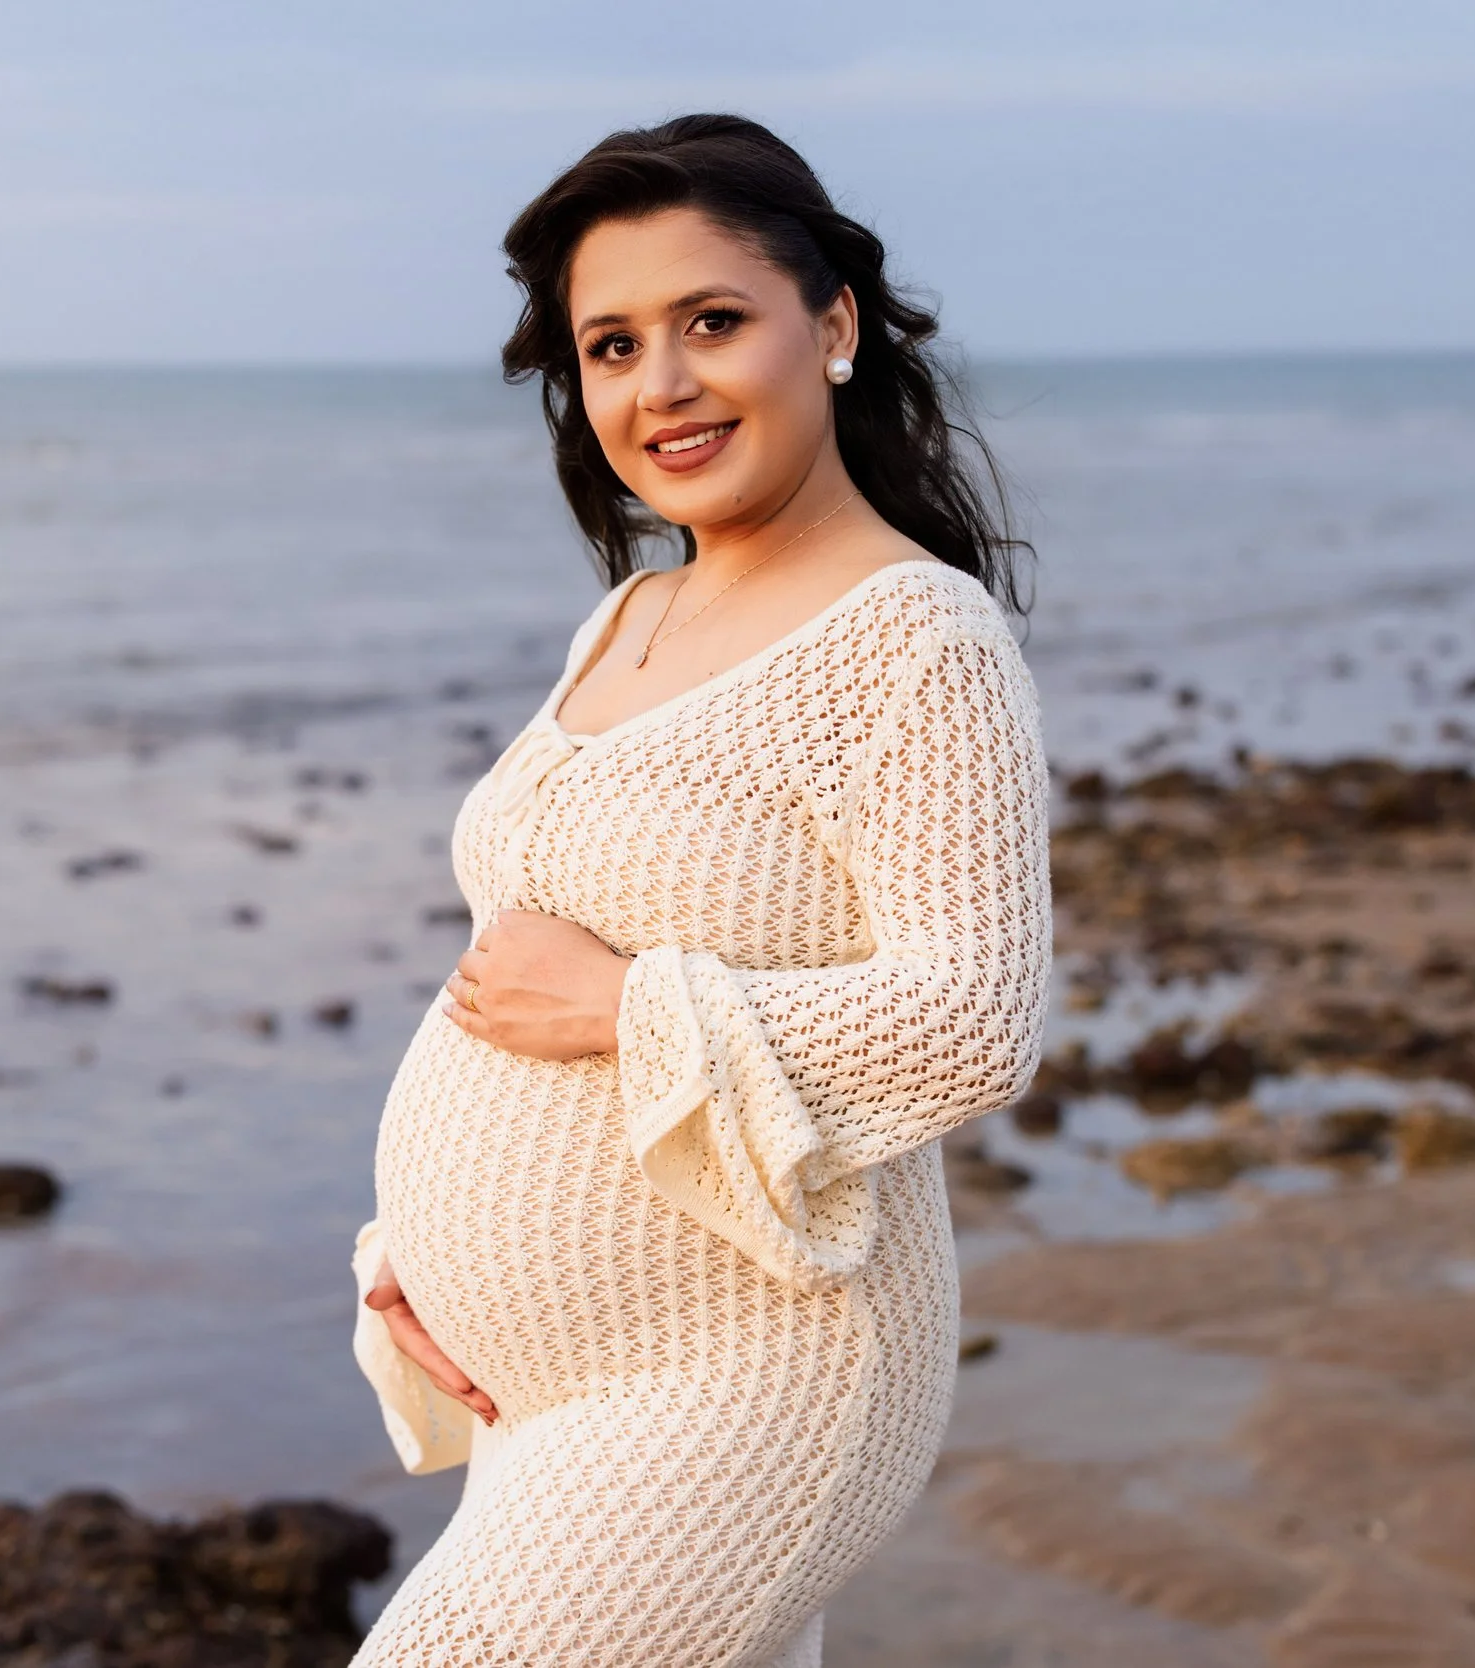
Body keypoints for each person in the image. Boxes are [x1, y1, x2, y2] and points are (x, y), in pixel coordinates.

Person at [347, 113, 1051, 1667]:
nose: (658, 384)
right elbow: (513, 967)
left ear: (836, 327)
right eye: (610, 345)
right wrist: (416, 1243)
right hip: (551, 1392)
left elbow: (971, 1022)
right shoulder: (627, 619)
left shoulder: (914, 641)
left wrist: (627, 1008)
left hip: (754, 1373)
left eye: (710, 322)